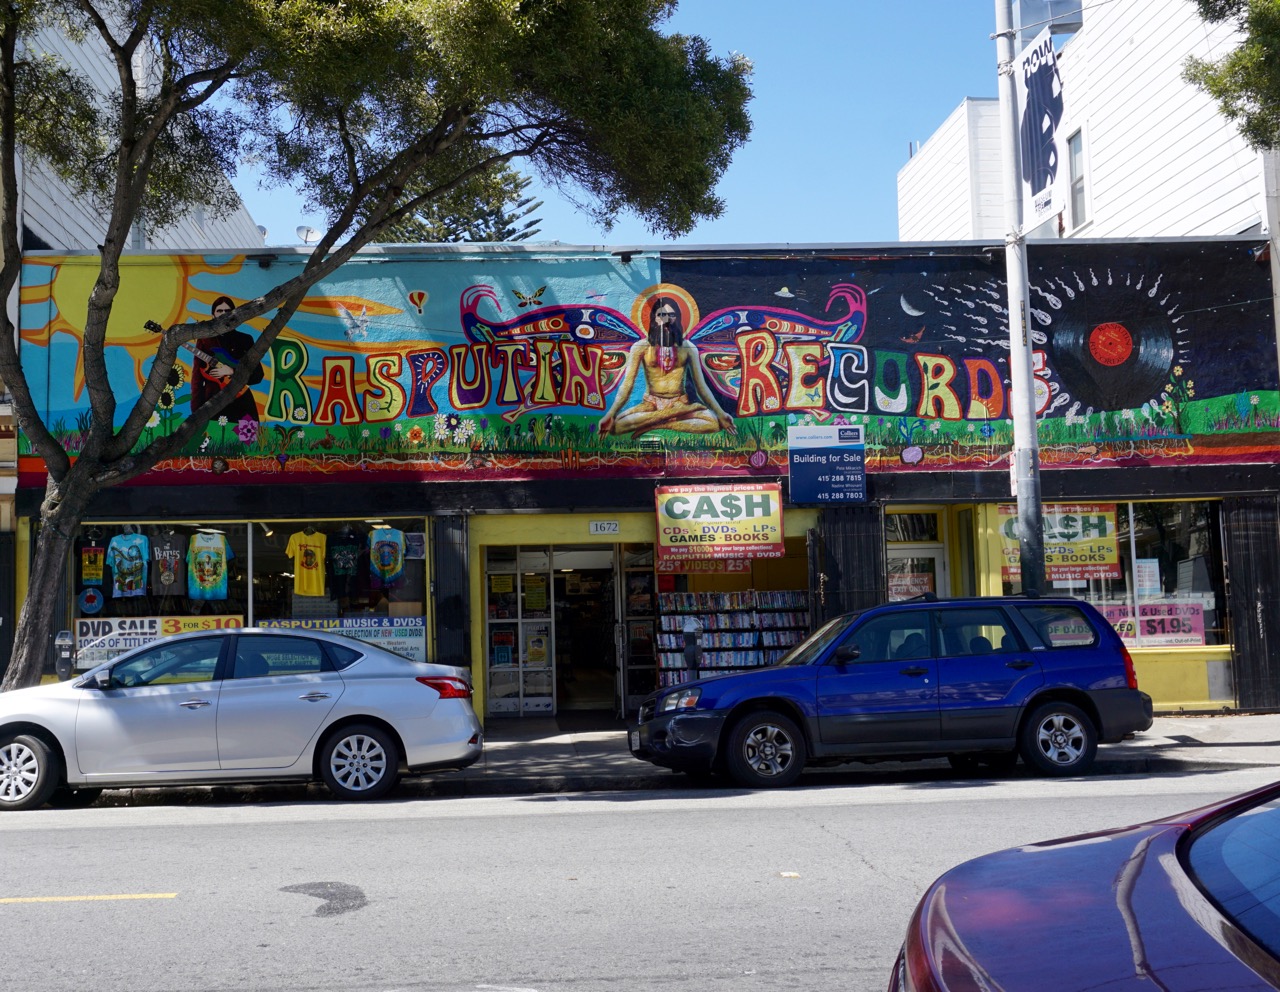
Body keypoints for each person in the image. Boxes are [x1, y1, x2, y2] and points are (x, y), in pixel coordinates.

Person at [599, 296, 736, 438]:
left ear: (678, 318)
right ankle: (670, 416)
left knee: (714, 423)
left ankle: (660, 424)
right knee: (615, 426)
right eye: (661, 314)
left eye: (671, 315)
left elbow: (701, 387)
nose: (666, 319)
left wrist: (721, 413)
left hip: (679, 404)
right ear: (654, 318)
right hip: (651, 405)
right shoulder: (641, 346)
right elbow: (627, 385)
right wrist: (611, 414)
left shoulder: (687, 347)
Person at [190, 295, 263, 423]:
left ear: (234, 314)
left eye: (227, 311)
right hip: (213, 402)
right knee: (214, 436)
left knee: (247, 435)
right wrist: (196, 411)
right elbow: (197, 377)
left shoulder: (245, 340)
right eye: (219, 311)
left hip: (241, 401)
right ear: (213, 315)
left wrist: (232, 371)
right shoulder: (205, 340)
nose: (223, 314)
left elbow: (257, 375)